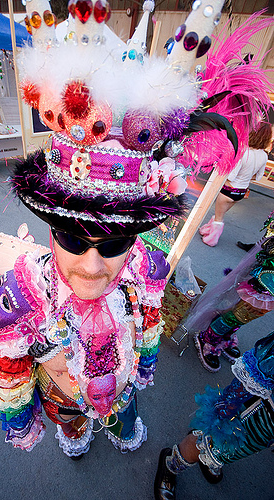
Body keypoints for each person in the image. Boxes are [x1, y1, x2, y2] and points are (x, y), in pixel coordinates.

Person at [0, 0, 273, 458]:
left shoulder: (144, 268)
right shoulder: (19, 299)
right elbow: (9, 376)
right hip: (64, 400)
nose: (93, 265)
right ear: (52, 231)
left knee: (124, 413)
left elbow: (147, 326)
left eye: (115, 243)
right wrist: (25, 414)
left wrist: (143, 365)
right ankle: (77, 437)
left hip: (121, 386)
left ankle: (123, 427)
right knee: (72, 427)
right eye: (72, 237)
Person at [154, 330, 274, 500]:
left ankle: (213, 457)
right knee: (213, 436)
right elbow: (263, 364)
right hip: (260, 409)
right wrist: (226, 409)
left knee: (235, 449)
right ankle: (171, 463)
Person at [192, 212, 274, 372]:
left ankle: (225, 335)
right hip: (268, 271)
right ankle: (208, 337)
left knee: (253, 312)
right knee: (245, 307)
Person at [199, 122, 273, 247]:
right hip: (241, 193)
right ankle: (207, 231)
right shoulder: (264, 156)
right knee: (219, 215)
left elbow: (231, 176)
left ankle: (211, 239)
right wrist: (246, 177)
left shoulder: (243, 152)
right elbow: (258, 177)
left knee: (219, 218)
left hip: (228, 190)